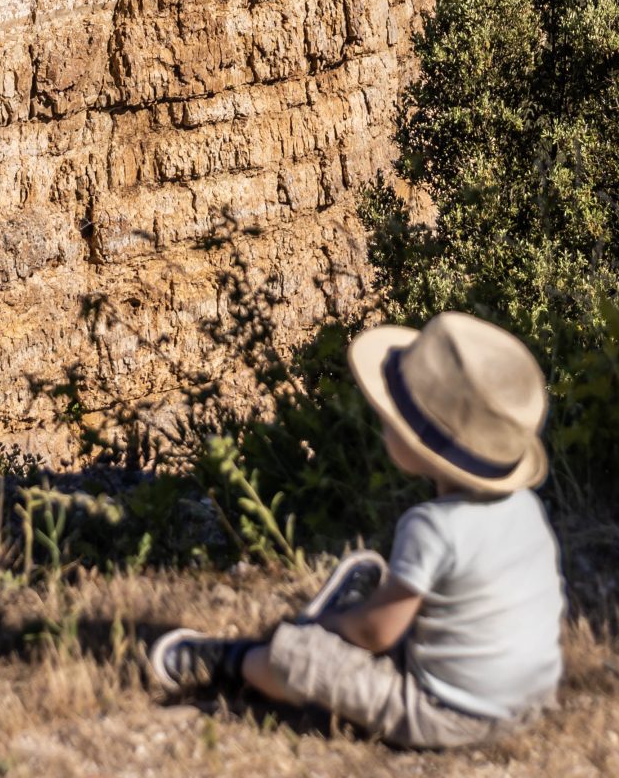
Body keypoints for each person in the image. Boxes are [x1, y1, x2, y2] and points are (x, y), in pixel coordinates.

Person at [148, 310, 564, 749]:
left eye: (391, 416)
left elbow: (376, 632)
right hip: (530, 698)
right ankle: (335, 624)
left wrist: (327, 627)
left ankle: (229, 663)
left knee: (299, 657)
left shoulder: (433, 527)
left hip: (444, 716)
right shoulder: (527, 506)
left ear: (420, 444)